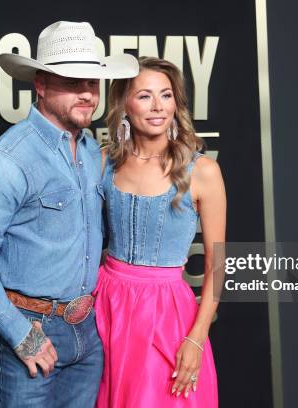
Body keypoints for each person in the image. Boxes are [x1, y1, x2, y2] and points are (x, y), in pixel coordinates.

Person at [0, 21, 138, 407]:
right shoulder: (8, 160)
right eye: (72, 81)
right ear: (41, 84)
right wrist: (21, 334)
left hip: (87, 332)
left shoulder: (88, 149)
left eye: (93, 82)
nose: (87, 93)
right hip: (31, 332)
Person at [94, 57, 225, 407]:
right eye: (145, 96)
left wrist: (197, 338)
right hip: (107, 306)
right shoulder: (103, 161)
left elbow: (217, 263)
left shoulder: (204, 171)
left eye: (166, 96)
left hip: (167, 313)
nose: (157, 107)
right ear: (124, 104)